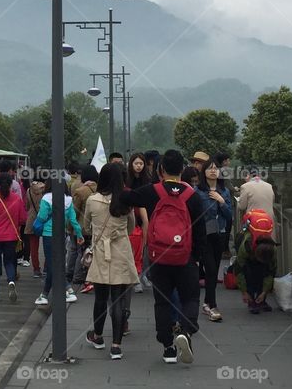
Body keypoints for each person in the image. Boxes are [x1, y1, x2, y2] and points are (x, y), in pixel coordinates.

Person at [120, 149, 206, 365]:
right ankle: (185, 331)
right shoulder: (192, 196)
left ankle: (168, 347)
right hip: (184, 257)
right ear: (182, 170)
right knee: (190, 298)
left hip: (159, 256)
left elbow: (126, 197)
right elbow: (201, 233)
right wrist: (195, 257)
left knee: (162, 301)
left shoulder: (152, 191)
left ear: (160, 170)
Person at [82, 163, 138, 360]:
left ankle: (98, 336)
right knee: (118, 299)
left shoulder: (92, 200)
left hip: (100, 252)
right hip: (121, 251)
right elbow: (131, 228)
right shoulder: (126, 200)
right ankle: (116, 345)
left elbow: (86, 227)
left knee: (100, 297)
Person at [32, 187, 84, 306]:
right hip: (61, 234)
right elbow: (73, 219)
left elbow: (42, 217)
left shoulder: (46, 198)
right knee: (56, 264)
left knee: (51, 265)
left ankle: (67, 290)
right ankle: (45, 294)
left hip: (48, 235)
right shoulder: (68, 200)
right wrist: (79, 234)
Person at [197, 157, 232, 323]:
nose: (213, 170)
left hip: (220, 233)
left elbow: (230, 216)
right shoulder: (198, 192)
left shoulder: (224, 191)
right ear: (204, 172)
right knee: (210, 269)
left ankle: (206, 302)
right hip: (205, 235)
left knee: (214, 269)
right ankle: (212, 305)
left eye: (215, 168)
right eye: (209, 168)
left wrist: (222, 202)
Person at [0, 174, 26, 302]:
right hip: (11, 236)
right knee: (9, 262)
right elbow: (23, 219)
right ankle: (11, 281)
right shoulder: (17, 199)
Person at [70, 166, 99, 294]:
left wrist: (71, 228)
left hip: (82, 227)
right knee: (92, 253)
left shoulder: (80, 191)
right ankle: (91, 278)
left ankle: (77, 277)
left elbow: (74, 212)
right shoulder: (101, 190)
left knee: (79, 252)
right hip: (97, 227)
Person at [126, 153, 150, 294]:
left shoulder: (147, 180)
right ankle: (135, 277)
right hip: (132, 215)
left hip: (144, 214)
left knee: (144, 248)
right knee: (134, 249)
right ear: (131, 164)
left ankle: (143, 274)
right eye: (136, 163)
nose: (139, 166)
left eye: (141, 163)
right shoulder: (128, 180)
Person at [235, 236, 277, 314]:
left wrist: (264, 292)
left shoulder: (272, 251)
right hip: (248, 260)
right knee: (249, 272)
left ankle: (261, 300)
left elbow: (271, 273)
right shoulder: (245, 248)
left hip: (259, 256)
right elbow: (239, 271)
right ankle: (251, 300)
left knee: (265, 271)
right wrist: (244, 292)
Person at [24, 175, 46, 278]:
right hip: (45, 219)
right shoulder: (46, 190)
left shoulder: (29, 190)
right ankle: (47, 267)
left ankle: (36, 270)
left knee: (34, 247)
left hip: (32, 219)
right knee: (47, 245)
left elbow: (27, 206)